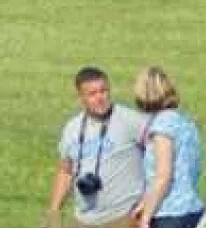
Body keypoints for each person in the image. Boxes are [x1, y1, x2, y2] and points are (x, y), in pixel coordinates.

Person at [45, 66, 148, 228]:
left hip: (124, 217)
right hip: (83, 220)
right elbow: (65, 170)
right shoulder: (72, 128)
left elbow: (160, 157)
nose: (100, 97)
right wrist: (54, 210)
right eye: (92, 94)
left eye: (103, 91)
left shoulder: (130, 120)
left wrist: (148, 201)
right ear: (81, 98)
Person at [133, 66, 206, 228]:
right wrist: (145, 200)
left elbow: (163, 176)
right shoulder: (186, 121)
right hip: (193, 209)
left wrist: (146, 217)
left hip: (170, 214)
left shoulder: (162, 126)